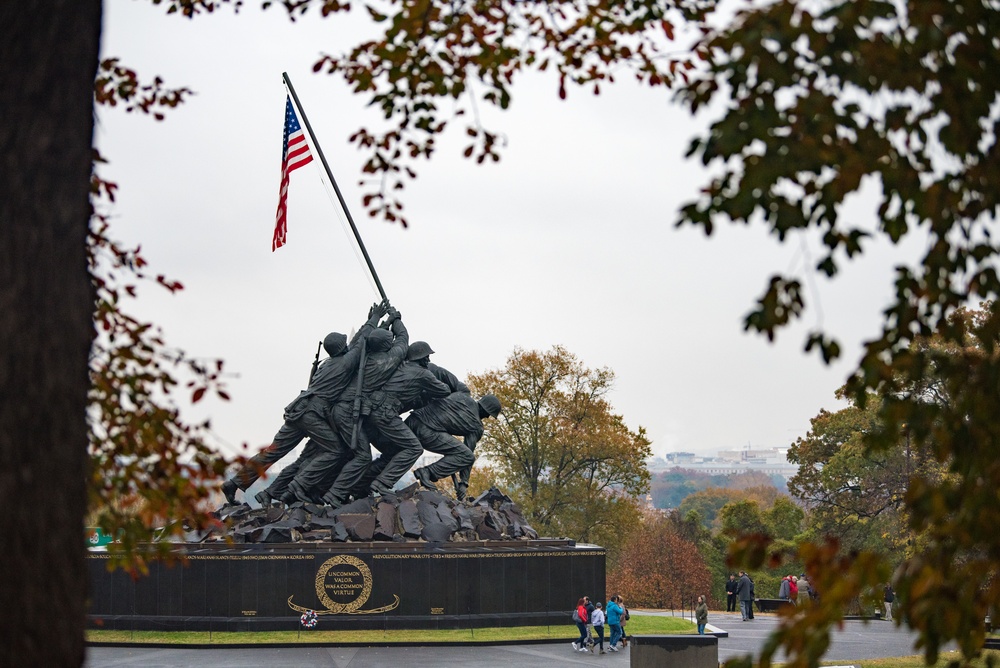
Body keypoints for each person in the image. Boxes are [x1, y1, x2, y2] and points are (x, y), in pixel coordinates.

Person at [220, 303, 387, 505]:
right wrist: (375, 319)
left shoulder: (329, 363)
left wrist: (371, 320)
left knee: (273, 452)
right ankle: (299, 485)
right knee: (334, 450)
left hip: (298, 410)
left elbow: (355, 343)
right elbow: (360, 344)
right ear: (342, 347)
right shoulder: (344, 364)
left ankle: (234, 483)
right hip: (312, 413)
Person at [407, 393, 501, 497]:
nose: (487, 417)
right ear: (485, 409)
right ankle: (427, 472)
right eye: (489, 413)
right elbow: (468, 455)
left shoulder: (462, 396)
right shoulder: (477, 426)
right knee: (467, 456)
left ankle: (385, 480)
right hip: (427, 431)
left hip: (412, 420)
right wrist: (464, 483)